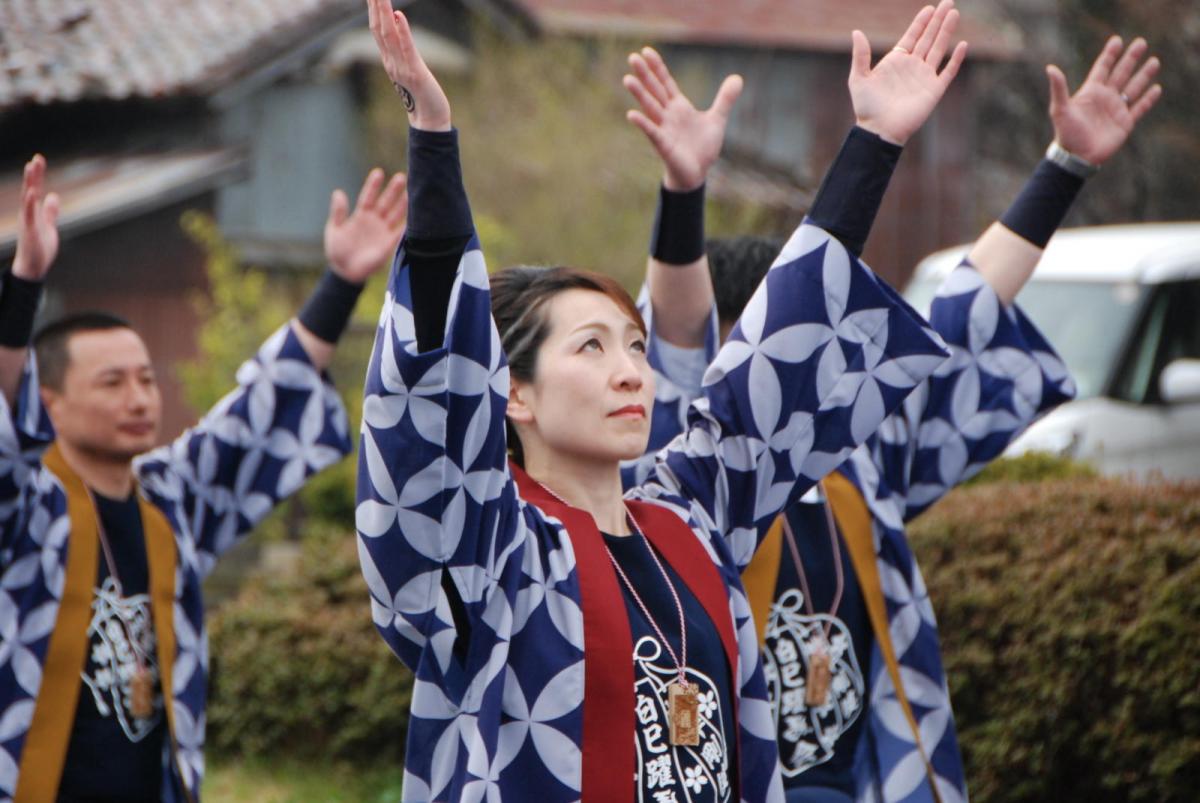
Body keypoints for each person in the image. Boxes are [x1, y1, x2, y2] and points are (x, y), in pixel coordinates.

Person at [355, 1, 968, 800]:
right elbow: (431, 402)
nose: (630, 371)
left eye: (636, 347)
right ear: (513, 394)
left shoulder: (690, 515)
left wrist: (874, 145)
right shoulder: (489, 550)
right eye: (591, 347)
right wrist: (433, 140)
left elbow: (779, 353)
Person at [623, 32, 1162, 803]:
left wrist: (1064, 166)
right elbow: (678, 341)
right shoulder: (689, 466)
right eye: (769, 343)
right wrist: (682, 195)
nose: (798, 358)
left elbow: (967, 310)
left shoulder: (860, 458)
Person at [0, 155, 408, 801]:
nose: (139, 398)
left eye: (144, 378)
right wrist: (23, 283)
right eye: (112, 383)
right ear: (46, 401)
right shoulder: (24, 504)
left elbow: (255, 414)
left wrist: (341, 282)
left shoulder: (167, 498)